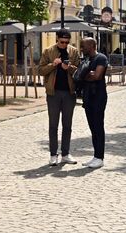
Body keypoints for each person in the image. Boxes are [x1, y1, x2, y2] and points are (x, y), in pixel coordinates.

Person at [38, 29, 80, 166]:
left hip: (69, 93)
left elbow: (79, 70)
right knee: (53, 125)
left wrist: (68, 67)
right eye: (62, 42)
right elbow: (40, 70)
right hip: (53, 93)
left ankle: (66, 154)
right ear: (57, 39)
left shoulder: (73, 51)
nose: (64, 44)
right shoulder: (48, 51)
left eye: (67, 42)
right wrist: (53, 64)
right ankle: (53, 154)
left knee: (67, 125)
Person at [80, 37, 109, 169]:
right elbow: (79, 75)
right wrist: (86, 75)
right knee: (92, 127)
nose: (82, 48)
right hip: (87, 96)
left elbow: (97, 76)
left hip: (98, 96)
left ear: (92, 45)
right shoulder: (86, 59)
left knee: (98, 126)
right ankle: (95, 156)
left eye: (84, 46)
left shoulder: (101, 58)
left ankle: (100, 157)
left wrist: (85, 76)